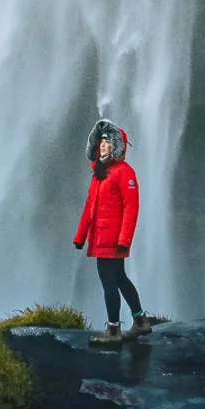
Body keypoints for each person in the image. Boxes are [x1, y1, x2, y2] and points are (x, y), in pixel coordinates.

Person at [73, 117, 153, 347]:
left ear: (117, 145)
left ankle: (113, 330)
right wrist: (80, 237)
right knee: (119, 279)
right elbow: (89, 208)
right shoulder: (99, 174)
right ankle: (140, 321)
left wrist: (124, 240)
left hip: (112, 241)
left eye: (107, 142)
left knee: (109, 281)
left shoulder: (124, 172)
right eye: (101, 142)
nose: (103, 146)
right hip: (101, 238)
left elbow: (131, 209)